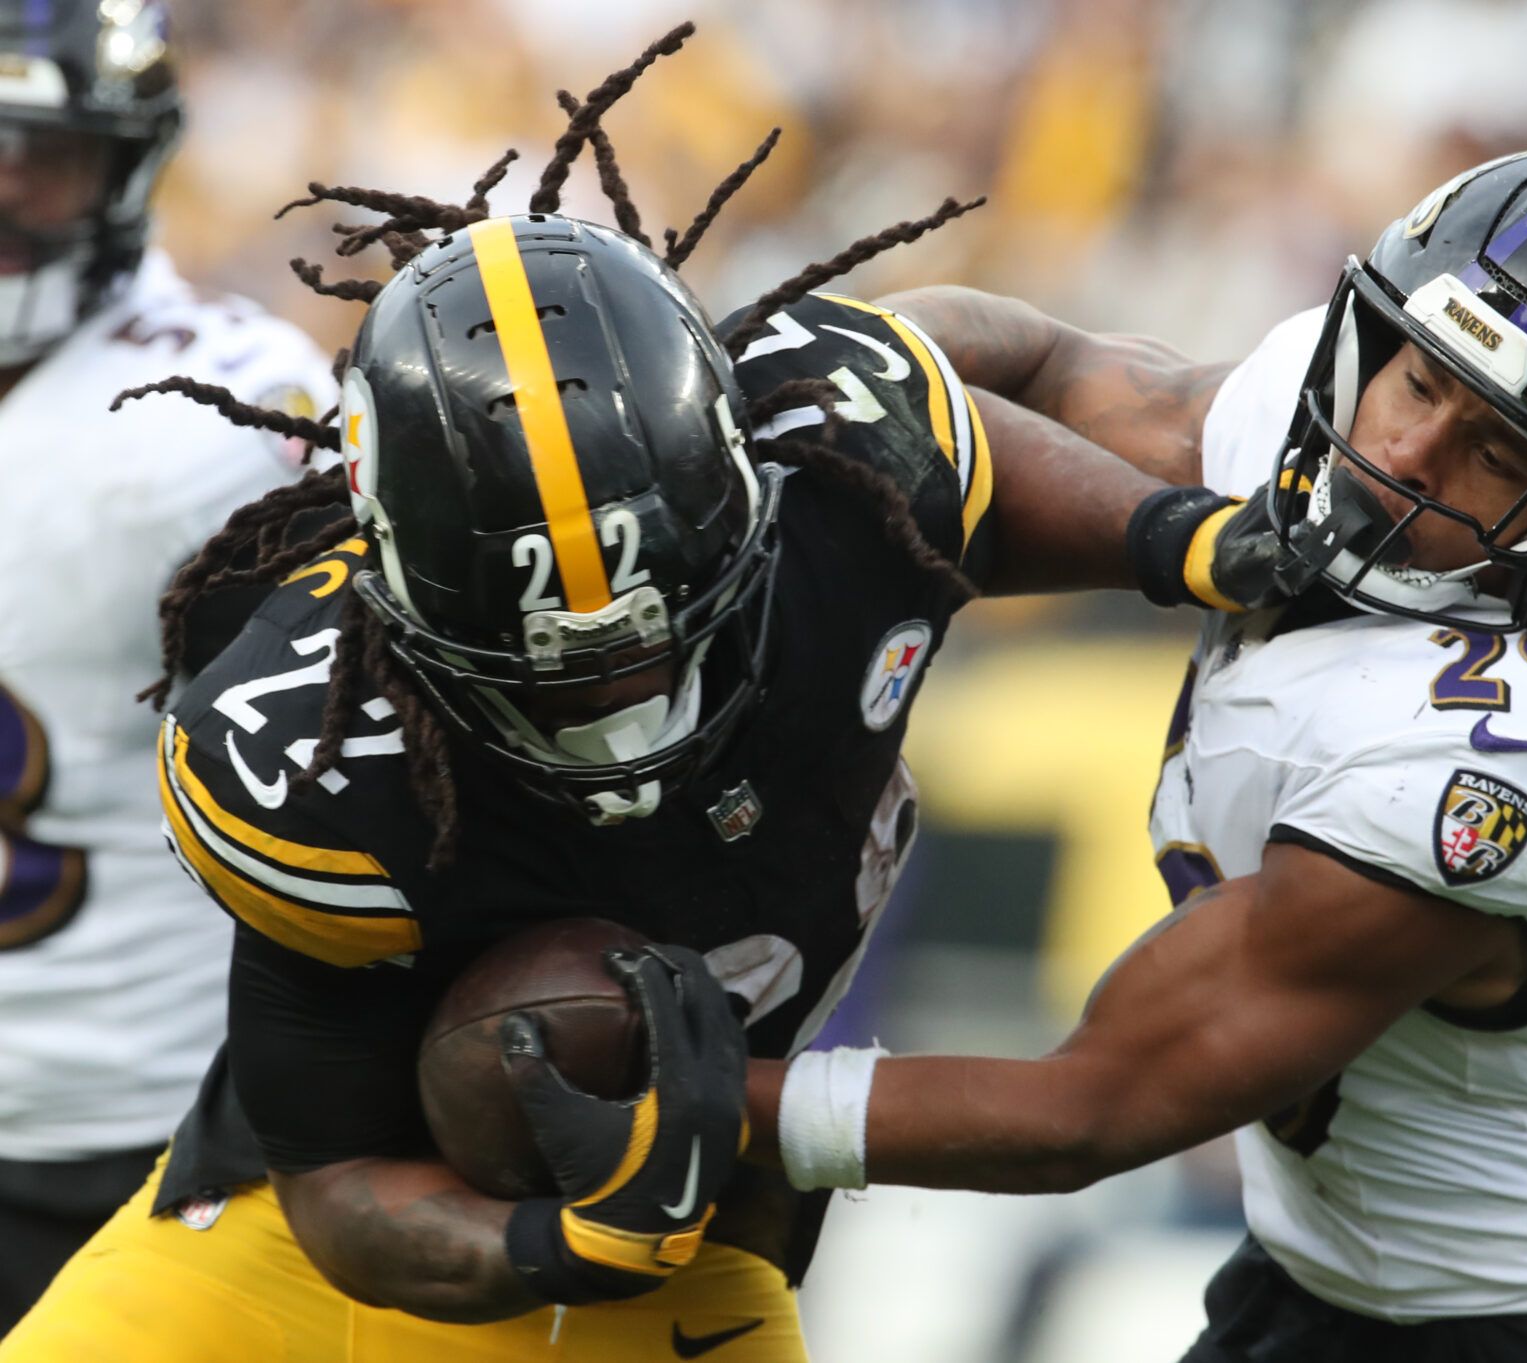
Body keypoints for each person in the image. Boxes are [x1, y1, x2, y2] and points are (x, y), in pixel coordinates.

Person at [0, 31, 1276, 1363]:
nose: (621, 687)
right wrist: (560, 1240)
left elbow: (964, 412)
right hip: (299, 1237)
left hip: (684, 1251)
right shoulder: (319, 750)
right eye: (554, 658)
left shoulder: (836, 472)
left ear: (747, 488)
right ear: (396, 597)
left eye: (655, 630)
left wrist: (1175, 537)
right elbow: (328, 1179)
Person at [749, 146, 1527, 1363]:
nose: (1403, 453)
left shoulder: (1505, 761)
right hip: (1317, 1273)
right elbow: (1043, 365)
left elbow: (1085, 1107)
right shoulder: (1347, 401)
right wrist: (828, 362)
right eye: (1418, 380)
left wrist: (699, 1109)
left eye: (1500, 455)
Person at [0, 0, 333, 1332]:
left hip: (150, 1134)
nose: (6, 189)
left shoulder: (215, 419)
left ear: (126, 169)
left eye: (46, 153)